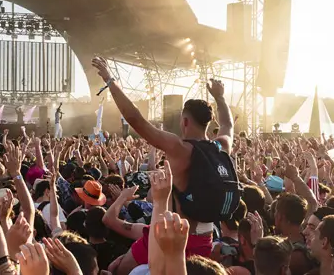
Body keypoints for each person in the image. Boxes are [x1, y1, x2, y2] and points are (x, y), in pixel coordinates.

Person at [92, 56, 237, 258]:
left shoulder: (179, 148)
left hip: (173, 237)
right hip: (206, 238)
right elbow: (228, 125)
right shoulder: (220, 146)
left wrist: (110, 80)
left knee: (117, 267)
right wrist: (220, 97)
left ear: (185, 121)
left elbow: (137, 120)